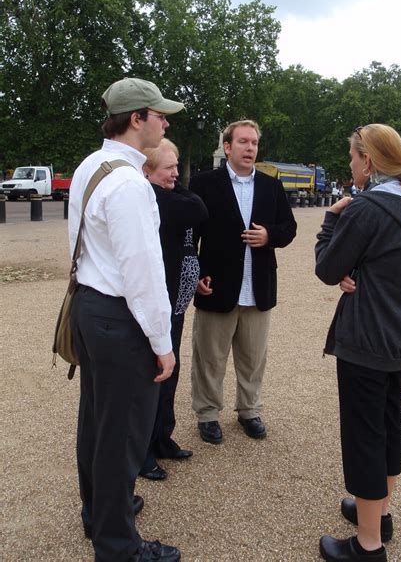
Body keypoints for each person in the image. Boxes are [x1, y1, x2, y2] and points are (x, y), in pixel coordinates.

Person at [69, 78, 184, 562]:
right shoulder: (130, 184)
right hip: (120, 317)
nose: (165, 120)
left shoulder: (90, 166)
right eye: (158, 113)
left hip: (90, 307)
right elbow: (143, 273)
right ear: (136, 118)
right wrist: (163, 340)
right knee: (122, 433)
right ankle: (118, 546)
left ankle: (101, 511)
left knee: (97, 419)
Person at [315, 124, 401, 562]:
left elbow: (328, 268)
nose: (350, 165)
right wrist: (361, 271)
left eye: (352, 157)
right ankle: (379, 514)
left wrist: (331, 220)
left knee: (365, 435)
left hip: (367, 338)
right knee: (388, 426)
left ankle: (368, 545)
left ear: (367, 161)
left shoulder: (368, 208)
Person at [189, 119, 297, 444]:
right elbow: (189, 236)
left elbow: (289, 228)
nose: (250, 148)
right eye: (243, 142)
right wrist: (193, 275)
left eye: (254, 143)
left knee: (253, 358)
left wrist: (269, 236)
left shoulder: (270, 186)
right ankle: (207, 414)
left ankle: (249, 410)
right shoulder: (204, 184)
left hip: (258, 286)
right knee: (210, 357)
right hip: (216, 285)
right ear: (227, 147)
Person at [139, 140, 208, 481]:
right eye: (169, 168)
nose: (176, 174)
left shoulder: (170, 194)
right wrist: (178, 191)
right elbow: (197, 210)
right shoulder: (152, 199)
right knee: (152, 375)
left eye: (177, 167)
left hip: (176, 301)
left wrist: (172, 183)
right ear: (147, 171)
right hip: (158, 300)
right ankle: (142, 452)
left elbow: (195, 212)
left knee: (171, 372)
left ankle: (162, 438)